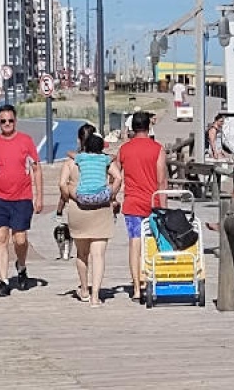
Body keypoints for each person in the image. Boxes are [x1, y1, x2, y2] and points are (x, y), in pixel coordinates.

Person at [0, 104, 43, 297]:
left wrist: (39, 196)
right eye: (3, 121)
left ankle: (21, 266)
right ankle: (4, 280)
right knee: (0, 237)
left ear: (15, 121)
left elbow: (36, 169)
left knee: (20, 239)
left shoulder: (26, 141)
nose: (7, 124)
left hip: (22, 197)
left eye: (10, 120)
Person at [57, 124, 122, 307]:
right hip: (101, 208)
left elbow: (62, 185)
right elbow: (118, 177)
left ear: (80, 140)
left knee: (82, 253)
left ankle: (84, 289)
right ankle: (95, 297)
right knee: (98, 255)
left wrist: (68, 196)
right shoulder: (103, 160)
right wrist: (112, 194)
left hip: (78, 209)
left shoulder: (72, 162)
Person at [117, 111, 168, 302]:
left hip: (132, 203)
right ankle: (149, 281)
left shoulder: (124, 149)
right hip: (152, 202)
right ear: (149, 127)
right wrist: (164, 207)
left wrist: (113, 197)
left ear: (132, 128)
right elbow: (162, 180)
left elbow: (115, 174)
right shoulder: (158, 149)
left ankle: (137, 287)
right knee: (152, 243)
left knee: (134, 242)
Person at [68, 134, 114, 208]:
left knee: (69, 186)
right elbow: (113, 156)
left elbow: (69, 153)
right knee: (111, 185)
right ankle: (113, 200)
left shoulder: (81, 157)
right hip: (101, 197)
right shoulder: (104, 158)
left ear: (86, 146)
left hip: (83, 197)